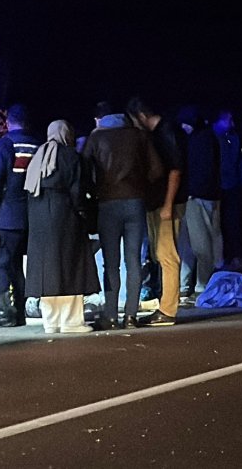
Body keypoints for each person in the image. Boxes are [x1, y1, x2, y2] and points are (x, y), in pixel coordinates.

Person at [83, 102, 163, 329]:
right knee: (134, 260)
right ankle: (131, 316)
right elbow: (157, 170)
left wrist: (95, 190)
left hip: (107, 204)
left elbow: (84, 169)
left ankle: (110, 316)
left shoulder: (96, 138)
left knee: (111, 264)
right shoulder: (138, 136)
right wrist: (139, 185)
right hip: (135, 203)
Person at [23, 120, 99, 333]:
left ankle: (51, 322)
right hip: (64, 216)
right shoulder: (70, 156)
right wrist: (84, 213)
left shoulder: (38, 157)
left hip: (38, 219)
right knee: (71, 267)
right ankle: (71, 322)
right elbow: (77, 191)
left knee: (46, 270)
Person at [0, 104, 39, 328]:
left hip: (5, 217)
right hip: (30, 217)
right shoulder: (38, 146)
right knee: (15, 267)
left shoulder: (1, 146)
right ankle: (19, 313)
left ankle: (5, 312)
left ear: (8, 122)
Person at [128, 97, 188, 326]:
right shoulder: (159, 133)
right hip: (157, 202)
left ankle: (168, 310)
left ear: (141, 116)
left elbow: (175, 171)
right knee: (161, 255)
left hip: (166, 204)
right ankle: (165, 306)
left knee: (167, 254)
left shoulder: (167, 132)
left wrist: (167, 205)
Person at [179, 106, 223, 298]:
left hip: (196, 197)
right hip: (206, 195)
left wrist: (190, 192)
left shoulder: (197, 140)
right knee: (201, 241)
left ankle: (197, 284)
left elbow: (199, 169)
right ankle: (196, 283)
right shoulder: (208, 137)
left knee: (197, 244)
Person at [214, 109, 242, 268]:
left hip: (233, 186)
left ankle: (235, 255)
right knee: (217, 224)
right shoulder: (213, 137)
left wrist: (241, 181)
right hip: (217, 187)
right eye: (229, 119)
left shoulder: (234, 138)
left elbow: (240, 161)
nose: (232, 122)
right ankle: (219, 258)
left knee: (233, 222)